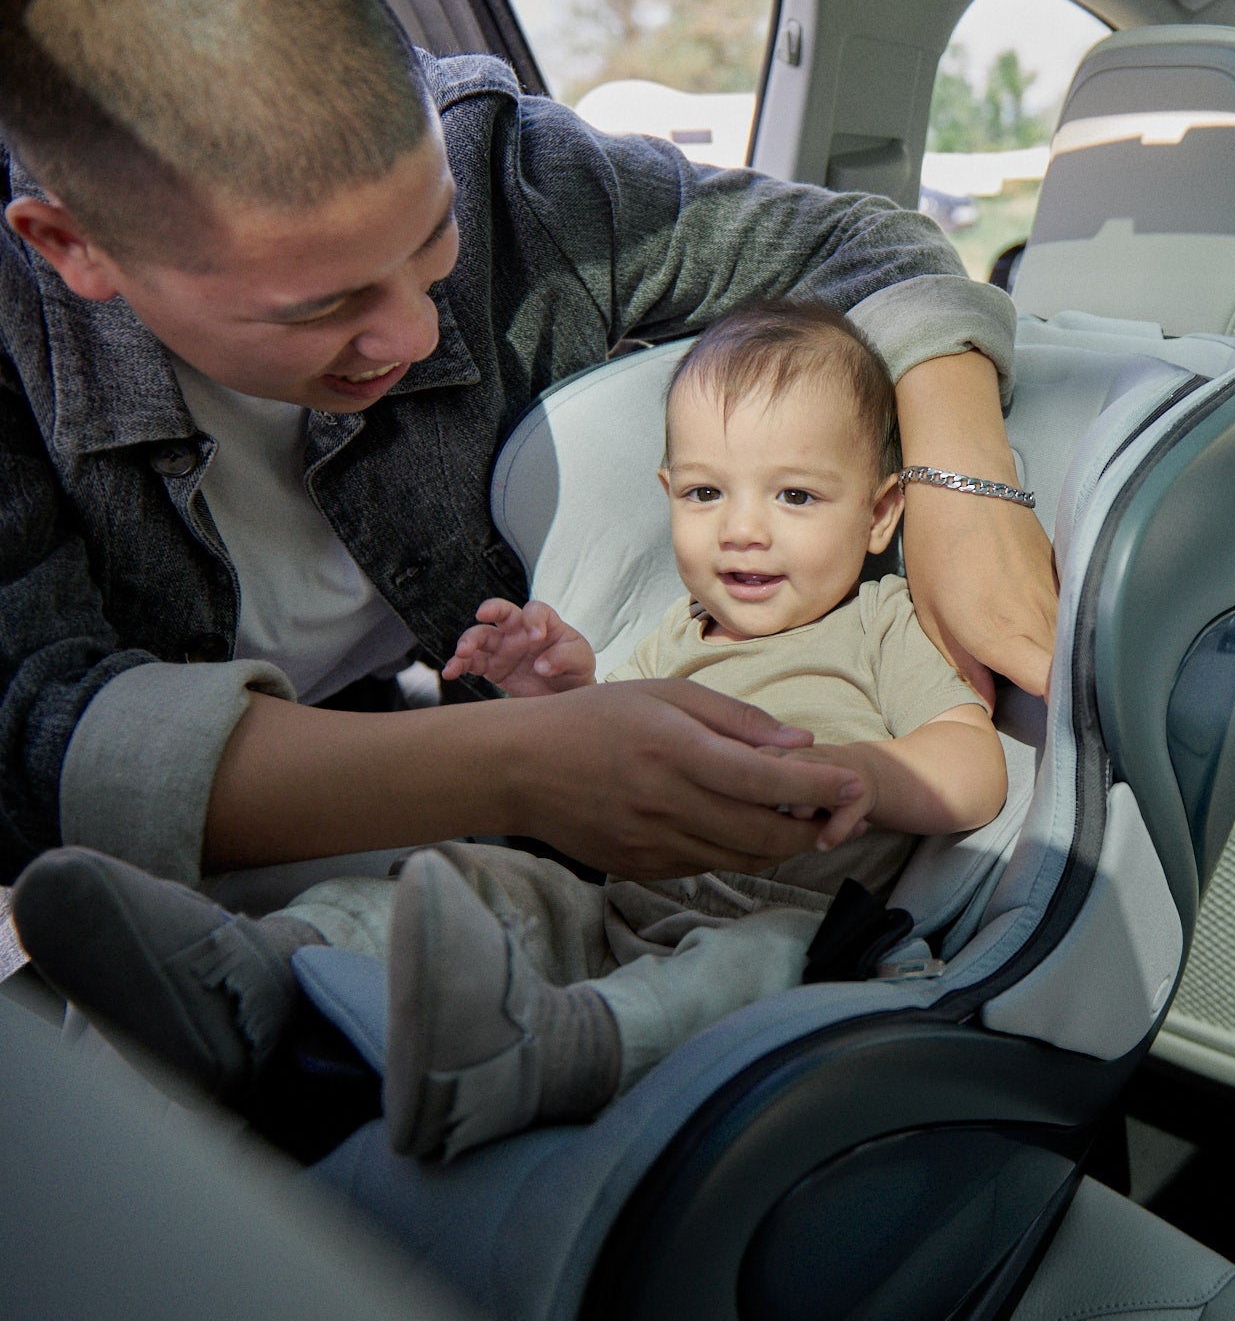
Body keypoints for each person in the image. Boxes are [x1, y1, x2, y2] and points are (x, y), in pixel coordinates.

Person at [0, 0, 1054, 891]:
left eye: (432, 239)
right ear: (72, 248)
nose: (416, 333)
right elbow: (38, 734)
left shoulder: (511, 170)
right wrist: (519, 760)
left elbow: (861, 242)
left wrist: (962, 486)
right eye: (318, 306)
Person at [15, 299, 1011, 1161]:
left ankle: (550, 1050)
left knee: (746, 965)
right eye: (707, 493)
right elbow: (606, 758)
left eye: (794, 496)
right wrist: (558, 688)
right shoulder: (678, 628)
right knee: (464, 883)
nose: (741, 529)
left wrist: (862, 774)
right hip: (613, 912)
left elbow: (972, 769)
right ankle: (257, 973)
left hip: (784, 927)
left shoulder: (881, 623)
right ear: (668, 494)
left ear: (882, 514)